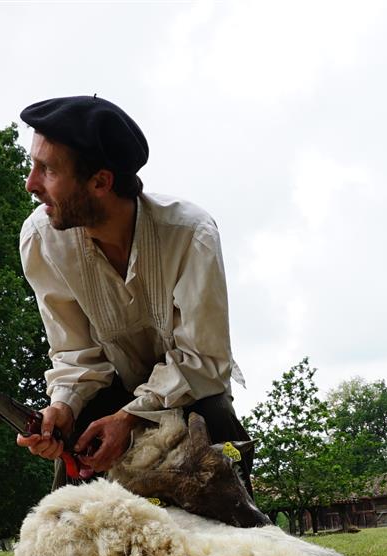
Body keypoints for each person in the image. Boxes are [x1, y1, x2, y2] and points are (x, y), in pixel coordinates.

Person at [13, 95, 253, 485]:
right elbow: (74, 353)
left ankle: (243, 522)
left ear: (100, 182)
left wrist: (130, 418)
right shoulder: (43, 239)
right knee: (68, 509)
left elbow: (204, 359)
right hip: (107, 392)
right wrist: (62, 408)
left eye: (48, 170)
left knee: (218, 443)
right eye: (33, 165)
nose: (31, 184)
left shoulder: (191, 235)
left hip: (191, 393)